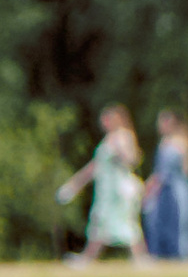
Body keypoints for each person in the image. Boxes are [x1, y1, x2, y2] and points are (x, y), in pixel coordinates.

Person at [58, 106, 148, 264]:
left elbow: (132, 160)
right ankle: (88, 258)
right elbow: (95, 166)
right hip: (106, 190)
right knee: (101, 223)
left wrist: (120, 151)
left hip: (118, 190)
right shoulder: (107, 139)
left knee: (123, 222)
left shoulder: (123, 136)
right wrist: (74, 184)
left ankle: (139, 258)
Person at [143, 111, 188, 262]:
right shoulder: (163, 142)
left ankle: (183, 256)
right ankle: (161, 257)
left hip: (177, 188)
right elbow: (158, 170)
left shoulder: (182, 142)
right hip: (162, 189)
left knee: (180, 222)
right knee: (159, 222)